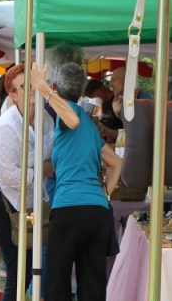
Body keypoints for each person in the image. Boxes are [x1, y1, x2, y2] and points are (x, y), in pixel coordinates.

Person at [30, 62, 122, 301]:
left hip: (69, 209)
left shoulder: (69, 112)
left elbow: (71, 120)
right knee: (92, 287)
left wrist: (42, 88)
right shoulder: (90, 126)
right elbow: (116, 163)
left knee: (57, 284)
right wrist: (105, 194)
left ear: (55, 88)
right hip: (96, 212)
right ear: (81, 92)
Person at [0, 64, 54, 301]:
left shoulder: (45, 119)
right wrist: (42, 171)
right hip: (5, 203)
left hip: (32, 202)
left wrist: (41, 168)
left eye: (34, 82)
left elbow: (50, 158)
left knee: (29, 271)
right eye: (25, 86)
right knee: (18, 272)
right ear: (13, 95)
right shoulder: (6, 127)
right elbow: (10, 177)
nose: (33, 89)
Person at [96, 67, 152, 143]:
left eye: (114, 80)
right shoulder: (122, 100)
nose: (110, 85)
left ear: (126, 80)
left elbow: (139, 135)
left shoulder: (142, 98)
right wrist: (105, 130)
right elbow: (128, 135)